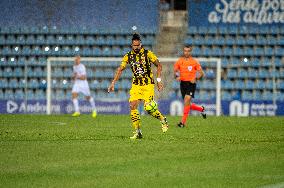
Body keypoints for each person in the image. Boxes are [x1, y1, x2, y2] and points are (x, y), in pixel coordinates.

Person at [108, 33, 169, 139]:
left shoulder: (148, 54)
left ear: (141, 44)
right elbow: (120, 69)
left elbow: (159, 65)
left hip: (148, 85)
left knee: (148, 108)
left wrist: (159, 81)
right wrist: (113, 82)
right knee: (132, 105)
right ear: (132, 45)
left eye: (138, 45)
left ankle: (163, 119)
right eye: (134, 45)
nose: (136, 47)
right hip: (136, 85)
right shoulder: (128, 56)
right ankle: (138, 131)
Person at [174, 45, 206, 127]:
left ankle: (182, 123)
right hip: (183, 84)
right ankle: (201, 109)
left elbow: (202, 73)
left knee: (187, 99)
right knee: (187, 103)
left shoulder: (194, 62)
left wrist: (196, 78)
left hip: (191, 84)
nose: (186, 52)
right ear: (183, 51)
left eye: (188, 51)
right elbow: (176, 72)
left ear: (190, 52)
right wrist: (177, 76)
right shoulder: (179, 61)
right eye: (185, 51)